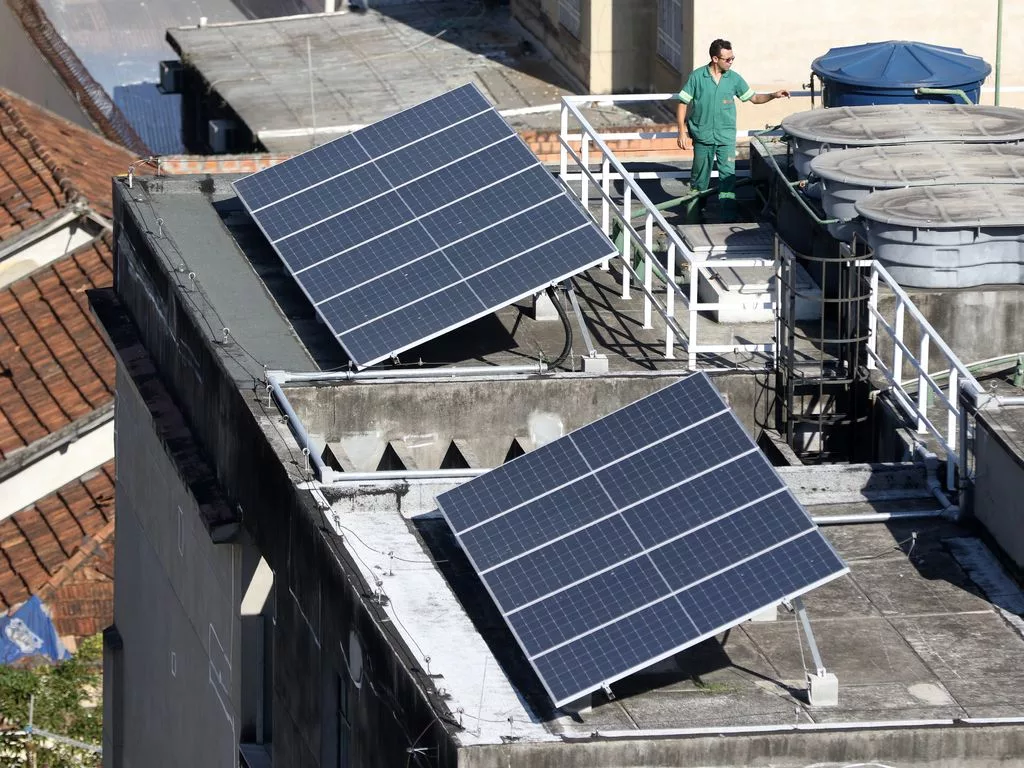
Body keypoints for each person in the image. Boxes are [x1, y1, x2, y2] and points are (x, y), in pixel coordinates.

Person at [675, 39, 790, 221]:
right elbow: (683, 104)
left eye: (732, 58)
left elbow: (753, 98)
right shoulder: (697, 77)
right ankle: (694, 214)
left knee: (728, 177)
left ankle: (727, 217)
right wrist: (681, 131)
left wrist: (773, 95)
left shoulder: (734, 79)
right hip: (702, 136)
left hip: (725, 137)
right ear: (715, 58)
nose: (731, 62)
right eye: (727, 59)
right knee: (699, 179)